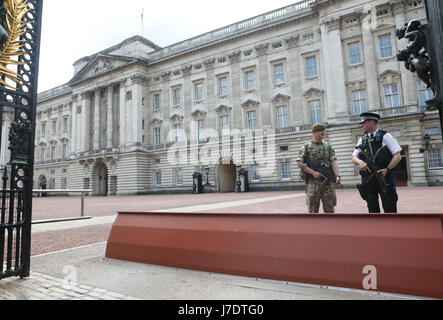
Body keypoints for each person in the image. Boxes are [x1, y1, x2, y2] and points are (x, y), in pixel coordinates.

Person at [352, 112, 402, 213]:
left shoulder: (386, 136)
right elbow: (354, 157)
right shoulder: (362, 139)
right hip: (369, 178)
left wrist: (387, 169)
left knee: (389, 205)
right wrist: (360, 162)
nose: (362, 125)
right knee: (372, 206)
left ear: (371, 122)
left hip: (384, 176)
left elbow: (398, 156)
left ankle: (391, 227)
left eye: (364, 123)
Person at [297, 123, 341, 213]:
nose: (323, 132)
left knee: (330, 209)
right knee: (313, 210)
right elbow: (299, 163)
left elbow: (333, 161)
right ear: (314, 132)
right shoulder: (306, 146)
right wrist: (313, 172)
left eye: (323, 130)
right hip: (313, 183)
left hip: (327, 182)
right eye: (320, 130)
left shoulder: (328, 146)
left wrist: (337, 176)